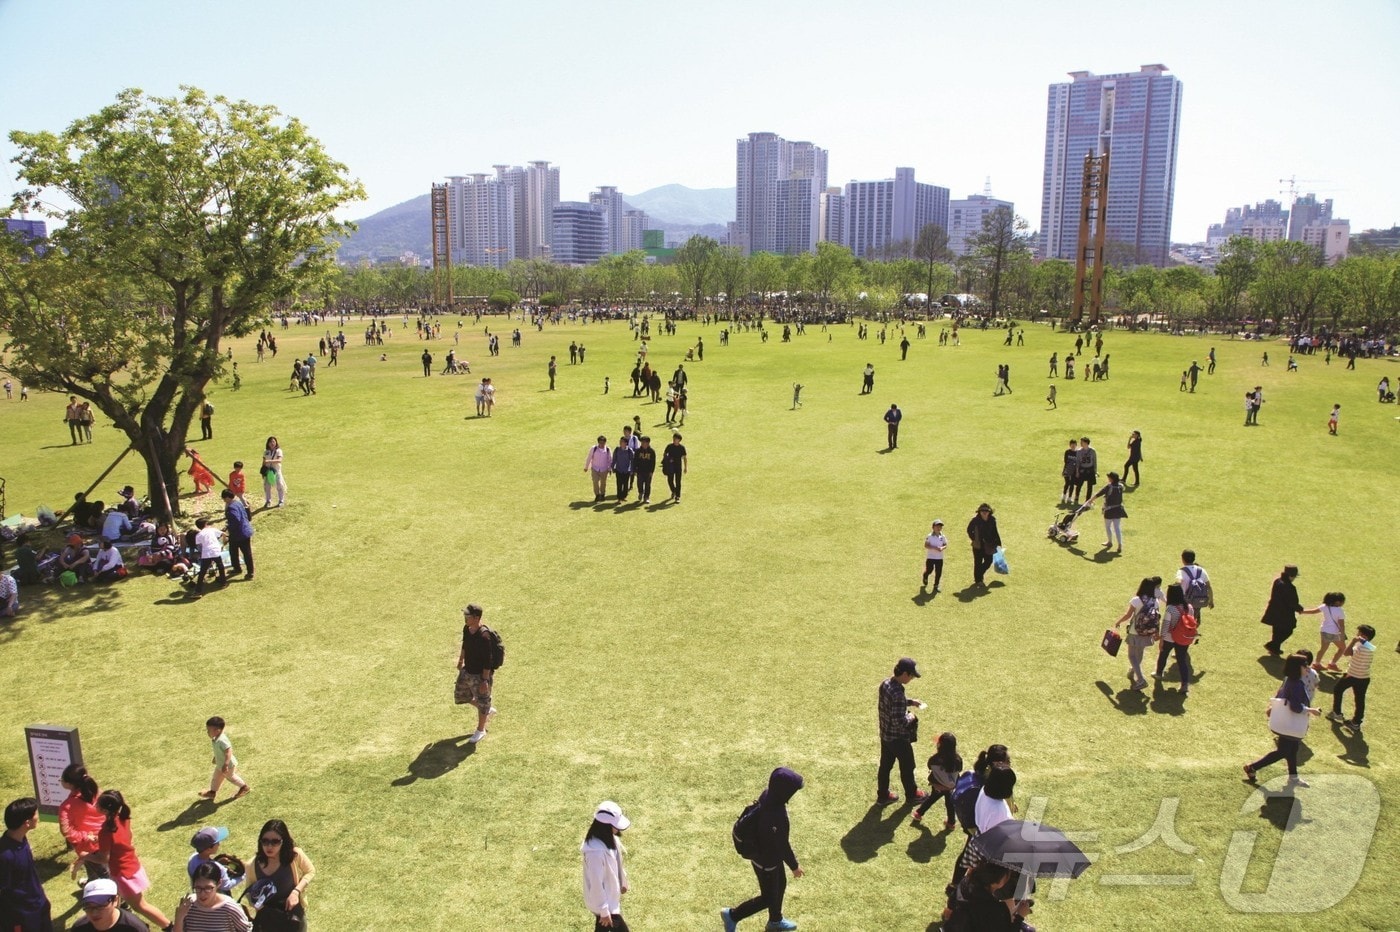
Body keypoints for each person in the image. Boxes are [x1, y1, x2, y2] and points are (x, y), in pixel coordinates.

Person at [719, 768, 804, 932]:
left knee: (780, 885)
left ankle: (775, 921)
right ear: (784, 792)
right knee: (768, 898)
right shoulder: (776, 816)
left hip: (764, 855)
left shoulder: (768, 795)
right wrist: (794, 866)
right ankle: (732, 915)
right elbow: (782, 845)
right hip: (766, 862)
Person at [95, 790, 172, 930]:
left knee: (141, 906)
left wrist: (84, 855)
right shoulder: (124, 818)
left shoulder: (105, 831)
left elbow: (103, 858)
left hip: (123, 873)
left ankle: (169, 926)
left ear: (105, 810)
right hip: (132, 866)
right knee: (115, 901)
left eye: (98, 804)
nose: (95, 805)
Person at [1244, 654, 1320, 789]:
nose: (1307, 668)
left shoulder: (1290, 680)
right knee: (1284, 751)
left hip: (1286, 722)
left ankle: (1293, 777)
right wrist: (1311, 710)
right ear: (1298, 668)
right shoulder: (1297, 684)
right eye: (1305, 665)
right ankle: (1252, 767)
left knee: (1293, 749)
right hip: (1290, 723)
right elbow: (1296, 707)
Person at [877, 658, 928, 805]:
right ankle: (912, 795)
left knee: (885, 767)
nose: (912, 678)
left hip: (885, 735)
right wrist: (911, 716)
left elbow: (892, 703)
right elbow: (900, 722)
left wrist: (911, 702)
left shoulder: (885, 684)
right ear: (905, 674)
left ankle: (883, 795)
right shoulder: (898, 694)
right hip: (898, 739)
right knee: (908, 766)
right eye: (911, 675)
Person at [247, 820, 313, 931]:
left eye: (275, 842)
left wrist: (296, 892)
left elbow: (310, 871)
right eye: (265, 841)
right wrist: (257, 905)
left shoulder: (294, 855)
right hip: (269, 918)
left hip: (293, 915)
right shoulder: (252, 865)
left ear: (284, 841)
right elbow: (249, 892)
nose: (269, 846)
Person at [1, 797, 51, 932]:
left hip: (39, 904)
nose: (38, 816)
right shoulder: (5, 856)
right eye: (35, 813)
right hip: (22, 916)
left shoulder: (21, 838)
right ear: (27, 822)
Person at [581, 801, 631, 931]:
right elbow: (596, 882)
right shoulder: (595, 853)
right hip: (605, 904)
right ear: (606, 826)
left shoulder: (609, 838)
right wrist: (603, 910)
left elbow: (616, 862)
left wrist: (622, 881)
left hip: (608, 902)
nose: (618, 829)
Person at [945, 862, 1034, 932]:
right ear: (998, 882)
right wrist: (1020, 916)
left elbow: (951, 902)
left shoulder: (966, 882)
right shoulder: (995, 909)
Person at [456, 604, 500, 743]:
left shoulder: (484, 636)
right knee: (461, 695)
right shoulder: (467, 629)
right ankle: (487, 709)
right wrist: (461, 660)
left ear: (476, 618)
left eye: (467, 616)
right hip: (467, 670)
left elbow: (488, 660)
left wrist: (484, 681)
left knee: (482, 701)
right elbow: (465, 645)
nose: (465, 618)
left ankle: (480, 730)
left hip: (480, 675)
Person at [1112, 577, 1164, 690]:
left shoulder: (1136, 600)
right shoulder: (1155, 601)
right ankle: (1133, 670)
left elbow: (1128, 615)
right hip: (1147, 632)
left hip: (1135, 631)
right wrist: (1156, 633)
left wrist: (1118, 622)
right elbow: (1157, 618)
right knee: (1139, 653)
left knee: (1131, 655)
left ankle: (1140, 679)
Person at [59, 764, 108, 883]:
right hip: (107, 838)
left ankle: (114, 898)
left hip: (90, 847)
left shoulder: (67, 806)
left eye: (62, 780)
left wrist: (85, 837)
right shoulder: (98, 792)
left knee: (104, 878)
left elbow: (66, 831)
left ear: (69, 784)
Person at [173, 862, 249, 932]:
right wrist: (179, 918)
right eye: (198, 888)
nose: (202, 894)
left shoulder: (230, 908)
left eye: (208, 888)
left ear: (219, 883)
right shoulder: (187, 906)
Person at [1329, 624, 1376, 734]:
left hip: (1352, 675)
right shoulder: (1370, 647)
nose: (1356, 634)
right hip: (1364, 677)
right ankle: (1356, 722)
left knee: (1338, 690)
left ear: (1363, 636)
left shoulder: (1359, 646)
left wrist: (1353, 641)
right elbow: (1373, 648)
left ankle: (1337, 713)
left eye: (1358, 633)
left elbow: (1346, 653)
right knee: (1360, 700)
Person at [912, 732, 962, 829]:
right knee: (950, 804)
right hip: (951, 787)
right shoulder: (957, 760)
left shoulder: (935, 759)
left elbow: (929, 766)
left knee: (931, 799)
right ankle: (951, 823)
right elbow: (959, 769)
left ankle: (919, 813)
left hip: (938, 785)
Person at [1154, 584, 1195, 697]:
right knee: (1182, 660)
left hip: (1169, 637)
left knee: (1163, 654)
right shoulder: (1189, 607)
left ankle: (1159, 673)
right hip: (1183, 637)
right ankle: (1184, 684)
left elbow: (1166, 625)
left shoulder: (1171, 608)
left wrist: (1161, 639)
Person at [199, 717, 249, 802]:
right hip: (220, 764)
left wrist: (226, 764)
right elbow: (219, 751)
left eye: (209, 730)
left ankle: (244, 787)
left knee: (231, 777)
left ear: (217, 730)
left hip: (227, 765)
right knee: (216, 778)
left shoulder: (222, 740)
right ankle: (212, 792)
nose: (207, 732)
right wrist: (216, 758)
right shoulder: (215, 739)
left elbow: (228, 751)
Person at [71, 878, 149, 931]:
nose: (94, 913)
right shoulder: (79, 928)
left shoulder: (134, 928)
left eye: (100, 905)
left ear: (115, 900)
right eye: (88, 906)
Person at [1262, 565, 1304, 656]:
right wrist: (1299, 608)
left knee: (1277, 630)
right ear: (1292, 576)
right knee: (1288, 629)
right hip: (1284, 613)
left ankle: (1275, 648)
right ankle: (1272, 645)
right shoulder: (1289, 587)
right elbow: (1292, 602)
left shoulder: (1277, 581)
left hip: (1274, 610)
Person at [186, 828, 239, 894]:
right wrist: (242, 876)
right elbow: (227, 885)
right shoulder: (218, 867)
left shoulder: (192, 858)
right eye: (217, 843)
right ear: (208, 849)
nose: (219, 844)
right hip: (217, 900)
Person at [1085, 471, 1127, 552]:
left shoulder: (1109, 487)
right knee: (1117, 528)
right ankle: (1119, 544)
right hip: (1118, 509)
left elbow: (1099, 494)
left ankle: (1110, 542)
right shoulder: (1120, 486)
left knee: (1108, 527)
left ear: (1112, 478)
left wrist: (1090, 500)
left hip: (1109, 510)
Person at [1304, 592, 1347, 671]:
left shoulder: (1325, 606)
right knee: (1342, 648)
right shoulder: (1339, 610)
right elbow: (1341, 625)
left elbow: (1313, 611)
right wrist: (1342, 635)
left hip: (1324, 631)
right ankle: (1332, 664)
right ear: (1337, 602)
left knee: (1323, 649)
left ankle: (1316, 664)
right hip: (1334, 633)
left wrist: (1302, 611)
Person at [221, 490, 254, 581]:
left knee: (244, 553)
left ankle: (249, 572)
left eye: (224, 498)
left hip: (238, 534)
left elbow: (236, 520)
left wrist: (229, 530)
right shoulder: (238, 503)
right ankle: (238, 568)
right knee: (235, 551)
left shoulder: (231, 508)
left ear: (227, 497)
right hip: (245, 531)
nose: (224, 500)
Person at [966, 504, 1001, 589]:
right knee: (978, 562)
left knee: (988, 561)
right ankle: (978, 580)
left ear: (989, 512)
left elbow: (995, 531)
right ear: (979, 512)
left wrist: (997, 542)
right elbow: (969, 530)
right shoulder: (975, 521)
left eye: (986, 511)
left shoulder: (992, 520)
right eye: (983, 511)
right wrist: (974, 538)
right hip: (978, 546)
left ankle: (979, 574)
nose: (984, 513)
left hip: (989, 544)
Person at [1177, 551, 1215, 627]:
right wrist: (1211, 600)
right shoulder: (1201, 570)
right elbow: (1208, 586)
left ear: (1182, 559)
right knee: (1193, 621)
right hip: (1198, 600)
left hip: (1184, 602)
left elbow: (1178, 584)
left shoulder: (1181, 571)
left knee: (1182, 623)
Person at [191, 519, 225, 597]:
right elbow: (223, 534)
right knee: (221, 567)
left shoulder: (198, 535)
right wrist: (223, 544)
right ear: (206, 524)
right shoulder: (212, 530)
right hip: (215, 551)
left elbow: (199, 546)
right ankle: (223, 583)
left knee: (202, 572)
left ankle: (198, 591)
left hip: (206, 553)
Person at [584, 436, 613, 503]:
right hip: (595, 468)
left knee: (603, 483)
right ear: (598, 442)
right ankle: (597, 495)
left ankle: (602, 494)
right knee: (595, 481)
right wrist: (586, 467)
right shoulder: (593, 449)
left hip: (604, 469)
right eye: (600, 443)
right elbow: (589, 457)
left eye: (603, 443)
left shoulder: (608, 450)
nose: (602, 444)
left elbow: (610, 460)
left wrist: (609, 468)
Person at [260, 437, 287, 508]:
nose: (272, 443)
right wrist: (263, 472)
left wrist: (269, 461)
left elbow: (279, 460)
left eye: (273, 442)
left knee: (280, 485)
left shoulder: (279, 451)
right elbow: (263, 461)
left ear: (276, 442)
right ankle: (268, 501)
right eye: (270, 442)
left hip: (276, 471)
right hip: (268, 471)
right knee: (267, 486)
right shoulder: (266, 451)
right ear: (268, 443)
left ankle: (281, 501)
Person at [661, 432, 687, 503]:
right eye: (674, 438)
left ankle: (677, 496)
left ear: (679, 440)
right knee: (670, 480)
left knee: (678, 482)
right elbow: (665, 454)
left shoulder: (682, 448)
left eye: (676, 439)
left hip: (678, 466)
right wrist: (668, 459)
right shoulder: (669, 446)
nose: (674, 439)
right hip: (670, 466)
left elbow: (684, 457)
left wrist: (685, 467)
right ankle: (674, 491)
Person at [922, 520, 947, 592]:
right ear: (933, 527)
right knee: (929, 570)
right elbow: (926, 545)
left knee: (938, 572)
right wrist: (934, 548)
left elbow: (945, 544)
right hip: (931, 557)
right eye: (937, 526)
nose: (939, 528)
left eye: (940, 526)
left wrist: (942, 548)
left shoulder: (942, 536)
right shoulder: (929, 536)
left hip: (939, 558)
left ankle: (936, 585)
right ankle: (925, 575)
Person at [632, 436, 656, 505]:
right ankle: (640, 492)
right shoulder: (638, 451)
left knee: (648, 484)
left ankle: (646, 497)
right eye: (642, 442)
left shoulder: (651, 451)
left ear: (648, 443)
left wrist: (652, 471)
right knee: (639, 483)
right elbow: (635, 461)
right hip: (640, 471)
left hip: (648, 471)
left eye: (644, 442)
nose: (642, 444)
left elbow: (653, 462)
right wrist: (635, 470)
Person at [1073, 436, 1097, 505]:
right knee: (1079, 484)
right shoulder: (1079, 451)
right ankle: (1076, 497)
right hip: (1082, 469)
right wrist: (1077, 471)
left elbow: (1094, 461)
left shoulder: (1092, 451)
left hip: (1090, 469)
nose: (1080, 443)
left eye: (1082, 442)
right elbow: (1077, 462)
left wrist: (1095, 471)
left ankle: (1088, 500)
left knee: (1090, 486)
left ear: (1086, 443)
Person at [611, 436, 634, 502]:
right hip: (619, 470)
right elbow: (614, 459)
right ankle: (619, 498)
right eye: (620, 441)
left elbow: (632, 461)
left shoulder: (629, 451)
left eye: (622, 442)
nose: (620, 443)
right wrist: (612, 467)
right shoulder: (617, 449)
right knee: (619, 484)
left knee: (625, 484)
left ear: (626, 443)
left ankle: (624, 496)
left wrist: (632, 470)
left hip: (626, 470)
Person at [1059, 439, 1079, 506]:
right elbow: (1065, 461)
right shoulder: (1067, 452)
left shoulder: (1078, 453)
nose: (1073, 446)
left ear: (1076, 445)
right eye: (1072, 444)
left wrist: (1077, 471)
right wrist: (1064, 470)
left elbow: (1078, 463)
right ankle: (1064, 495)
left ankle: (1069, 497)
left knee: (1072, 484)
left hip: (1074, 471)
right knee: (1067, 483)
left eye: (1074, 444)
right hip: (1067, 469)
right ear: (1070, 445)